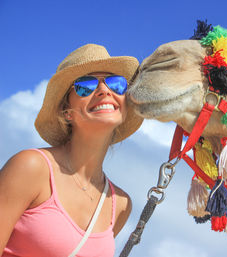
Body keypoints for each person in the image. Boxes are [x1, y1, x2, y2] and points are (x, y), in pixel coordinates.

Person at [0, 44, 143, 256]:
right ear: (67, 112)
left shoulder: (120, 204)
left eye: (116, 84)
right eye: (86, 85)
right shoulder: (31, 168)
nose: (104, 90)